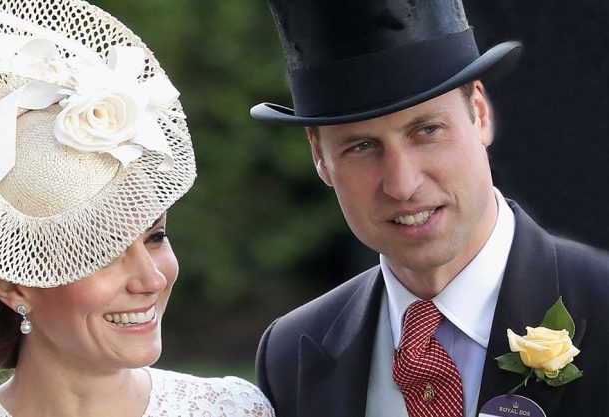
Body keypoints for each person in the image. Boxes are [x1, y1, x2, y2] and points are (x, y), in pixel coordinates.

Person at [0, 1, 275, 416]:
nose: (151, 278)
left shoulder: (234, 409)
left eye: (155, 236)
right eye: (103, 252)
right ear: (14, 286)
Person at [249, 1, 608, 417]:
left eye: (427, 130)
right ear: (319, 156)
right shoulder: (291, 354)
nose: (402, 185)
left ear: (480, 113)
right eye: (361, 146)